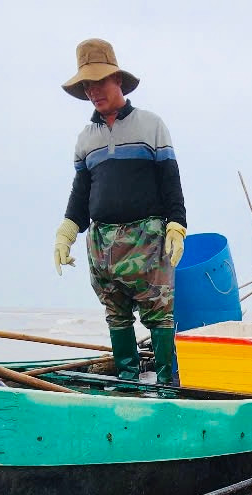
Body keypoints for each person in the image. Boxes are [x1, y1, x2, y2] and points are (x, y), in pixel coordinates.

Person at [52, 38, 187, 385]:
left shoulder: (151, 125)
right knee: (116, 314)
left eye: (99, 82)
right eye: (86, 85)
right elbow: (81, 194)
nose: (93, 91)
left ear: (118, 80)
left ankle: (167, 386)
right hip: (102, 244)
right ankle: (127, 382)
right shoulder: (85, 139)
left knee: (159, 314)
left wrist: (176, 225)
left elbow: (170, 182)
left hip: (147, 239)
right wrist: (66, 233)